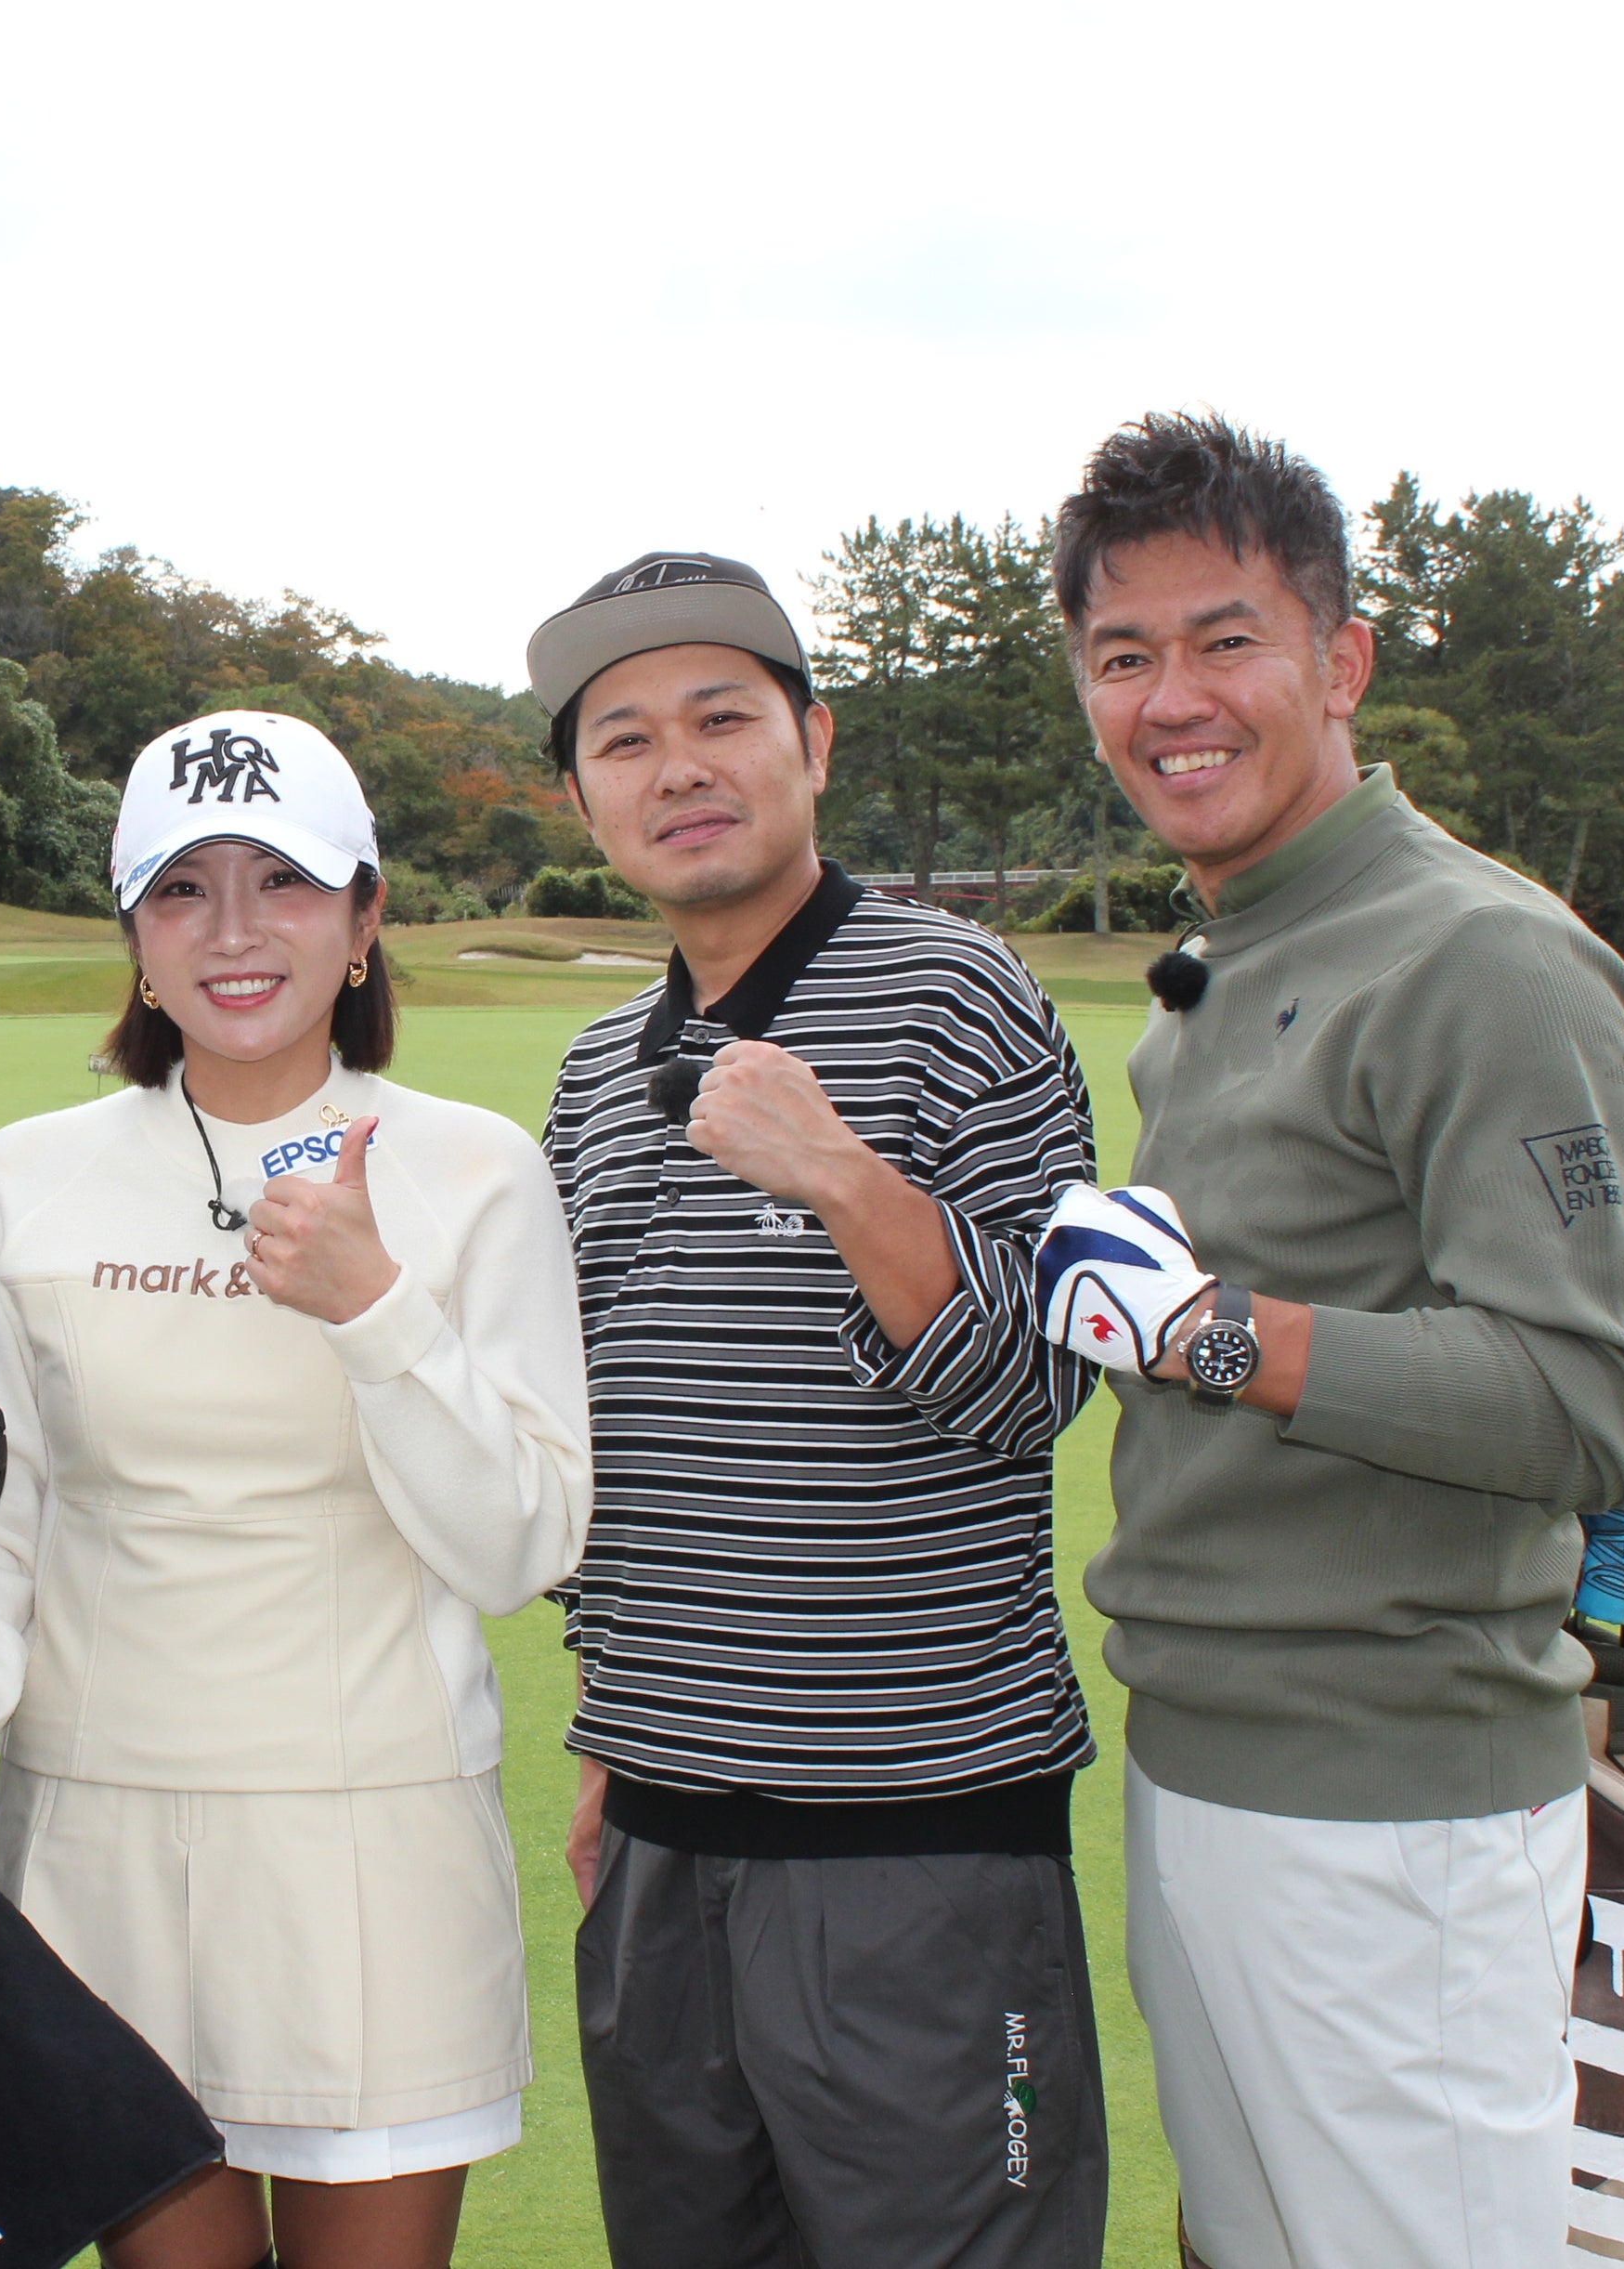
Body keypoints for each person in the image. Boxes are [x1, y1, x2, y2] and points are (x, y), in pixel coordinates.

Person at [0, 710, 591, 2269]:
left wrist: (376, 1309)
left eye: (284, 882)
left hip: (376, 1847)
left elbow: (519, 1541)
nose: (234, 932)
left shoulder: (475, 1171)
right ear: (134, 931)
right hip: (93, 1845)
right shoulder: (25, 1176)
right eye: (182, 888)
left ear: (366, 918)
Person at [1043, 413, 1624, 2269]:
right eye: (1122, 655)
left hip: (1393, 1808)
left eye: (1225, 640)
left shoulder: (1481, 957)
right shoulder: (1228, 957)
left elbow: (1589, 1403)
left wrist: (1204, 1331)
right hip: (1208, 1755)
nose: (1172, 699)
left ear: (1341, 662)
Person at [530, 554, 1110, 2266]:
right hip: (659, 1839)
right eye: (625, 740)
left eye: (722, 718)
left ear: (816, 742)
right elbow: (615, 1431)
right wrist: (610, 1727)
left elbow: (1037, 1381)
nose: (679, 768)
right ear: (582, 799)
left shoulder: (957, 995)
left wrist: (845, 1178)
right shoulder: (594, 1070)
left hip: (914, 1845)